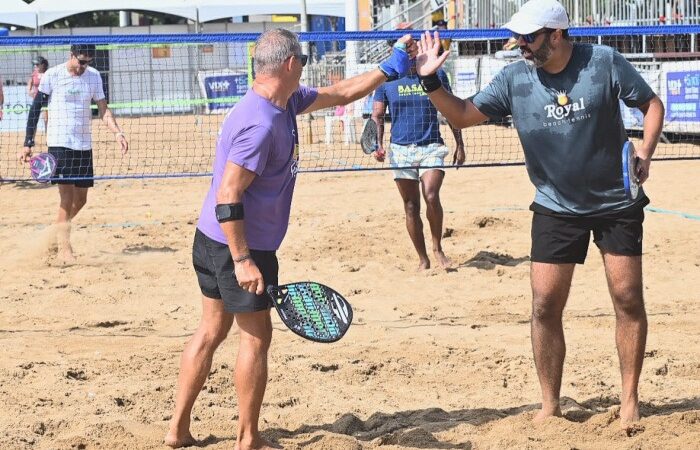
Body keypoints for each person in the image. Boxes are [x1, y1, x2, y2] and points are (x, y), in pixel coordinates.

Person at [414, 0, 664, 428]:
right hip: (555, 205)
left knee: (627, 300)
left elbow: (652, 105)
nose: (520, 45)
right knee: (545, 304)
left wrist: (645, 149)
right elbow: (460, 114)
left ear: (557, 34)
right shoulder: (514, 78)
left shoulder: (603, 62)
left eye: (528, 37)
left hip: (615, 202)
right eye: (518, 37)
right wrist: (431, 79)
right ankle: (550, 405)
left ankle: (629, 401)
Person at [164, 29, 416, 450]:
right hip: (239, 244)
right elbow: (229, 194)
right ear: (289, 64)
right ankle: (248, 438)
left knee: (209, 331)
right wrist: (244, 261)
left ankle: (177, 430)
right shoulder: (261, 124)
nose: (305, 64)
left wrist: (388, 68)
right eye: (301, 58)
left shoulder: (283, 102)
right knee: (256, 336)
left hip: (208, 238)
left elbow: (339, 93)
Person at [18, 44, 128, 263]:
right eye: (81, 61)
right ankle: (64, 249)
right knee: (66, 197)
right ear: (71, 56)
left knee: (82, 199)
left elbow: (103, 110)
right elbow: (35, 108)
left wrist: (118, 132)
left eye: (88, 62)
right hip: (60, 142)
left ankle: (53, 233)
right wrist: (28, 142)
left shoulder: (94, 76)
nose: (83, 66)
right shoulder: (53, 75)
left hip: (83, 144)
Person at [372, 33, 464, 270]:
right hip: (401, 149)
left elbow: (452, 110)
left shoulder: (436, 73)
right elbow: (377, 115)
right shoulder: (387, 79)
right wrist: (377, 143)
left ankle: (437, 248)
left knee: (431, 195)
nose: (410, 52)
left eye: (412, 47)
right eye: (405, 48)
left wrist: (460, 145)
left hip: (431, 145)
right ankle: (423, 259)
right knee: (411, 205)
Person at [23, 56, 50, 152]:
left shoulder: (48, 73)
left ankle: (48, 138)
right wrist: (30, 91)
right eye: (34, 64)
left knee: (47, 119)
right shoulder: (34, 74)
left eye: (37, 64)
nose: (35, 66)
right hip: (36, 100)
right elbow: (29, 84)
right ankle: (31, 139)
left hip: (46, 99)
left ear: (43, 64)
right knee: (34, 119)